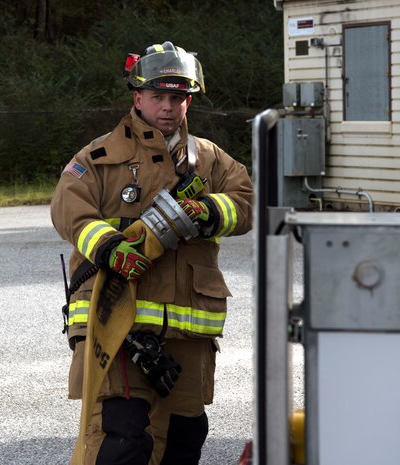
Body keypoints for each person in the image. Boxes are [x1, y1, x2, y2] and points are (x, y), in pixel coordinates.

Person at [51, 40, 253, 465]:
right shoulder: (100, 158)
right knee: (124, 438)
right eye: (158, 96)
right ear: (137, 97)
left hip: (187, 333)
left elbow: (247, 203)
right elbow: (68, 210)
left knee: (184, 438)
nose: (167, 106)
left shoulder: (211, 161)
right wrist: (108, 247)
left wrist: (210, 210)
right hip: (116, 323)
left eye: (177, 97)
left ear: (188, 100)